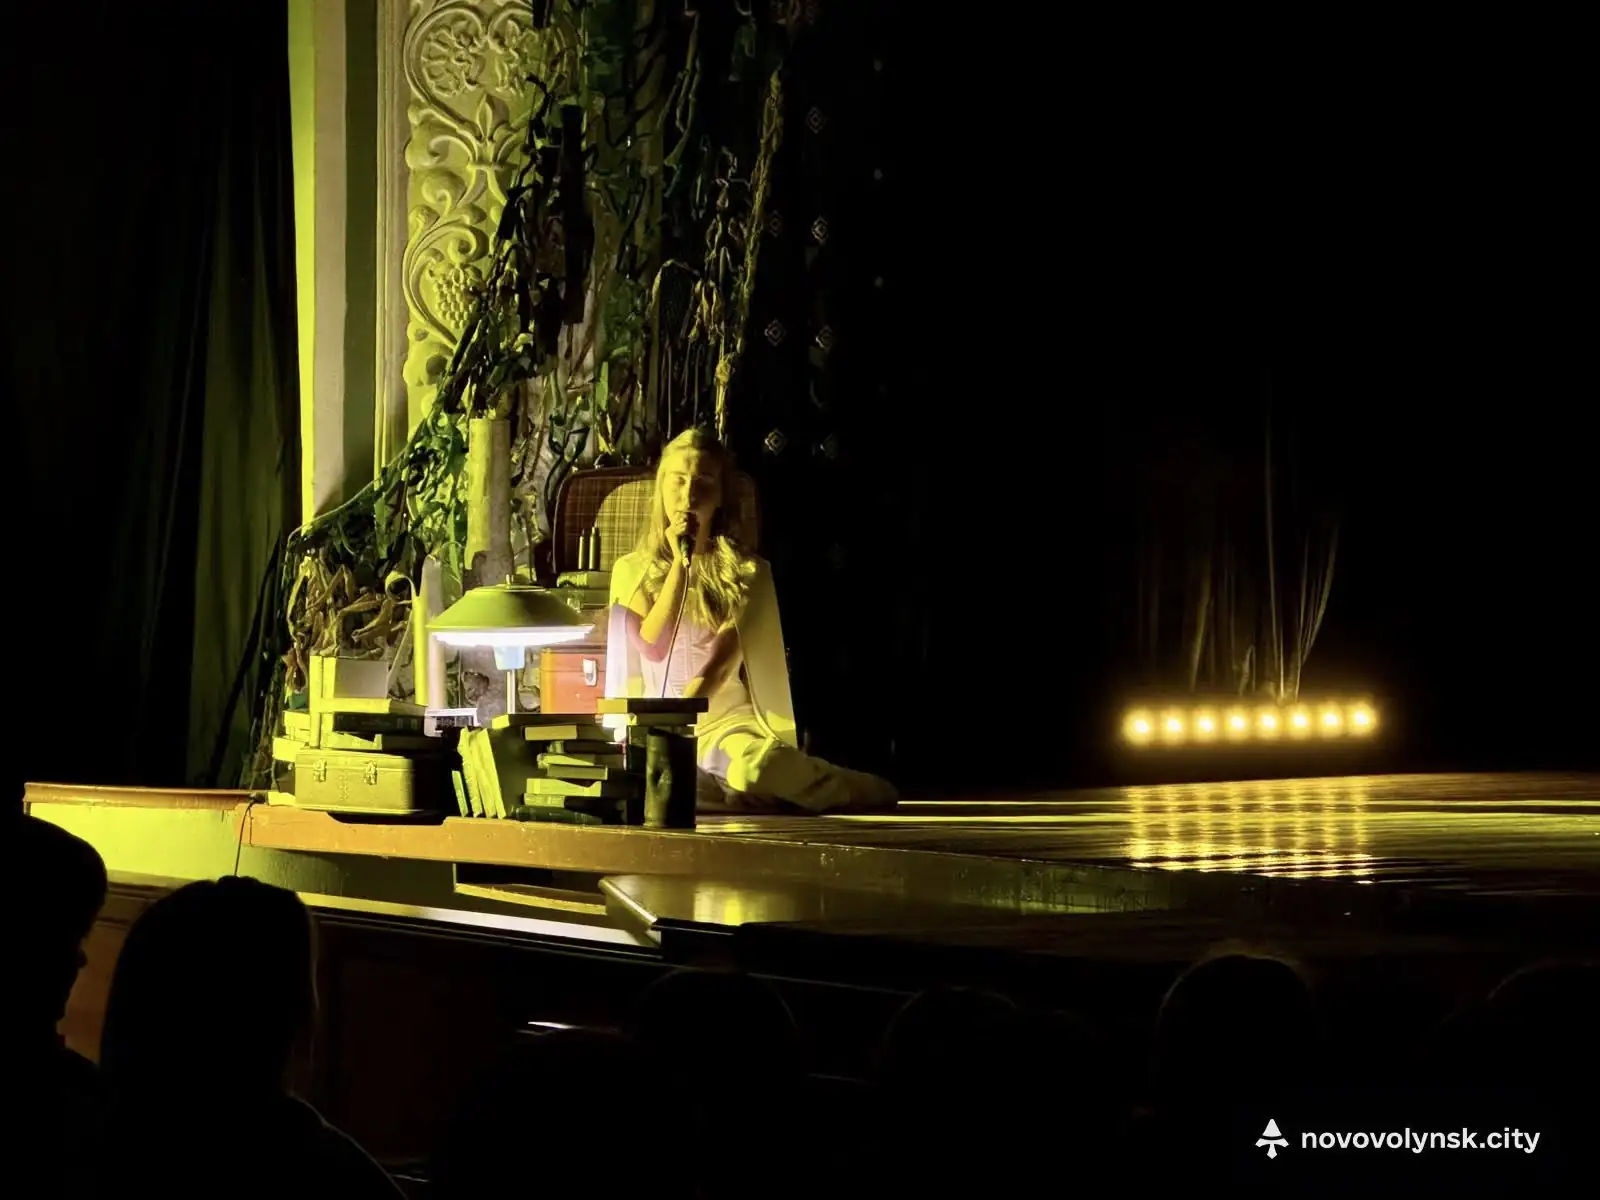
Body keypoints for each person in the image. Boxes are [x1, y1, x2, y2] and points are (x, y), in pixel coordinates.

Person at [607, 428, 897, 812]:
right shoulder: (631, 571)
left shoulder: (747, 571)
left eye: (703, 482)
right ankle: (732, 796)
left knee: (756, 770)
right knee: (632, 782)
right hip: (655, 728)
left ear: (721, 496)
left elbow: (719, 665)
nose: (688, 494)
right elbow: (653, 645)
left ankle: (860, 789)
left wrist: (679, 723)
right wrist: (680, 563)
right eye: (678, 480)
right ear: (661, 487)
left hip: (722, 725)